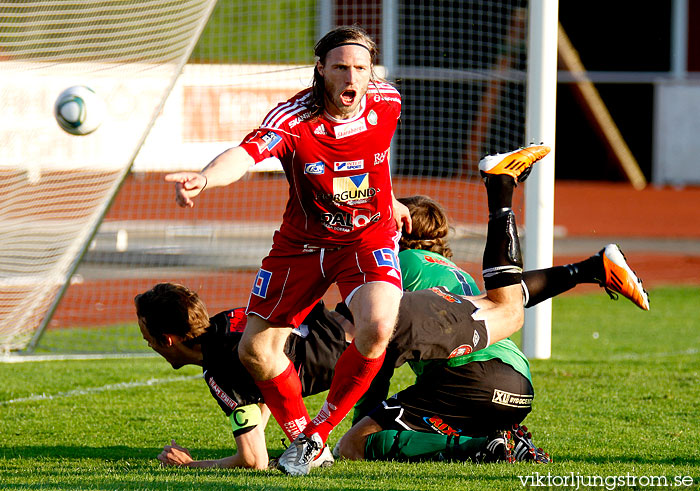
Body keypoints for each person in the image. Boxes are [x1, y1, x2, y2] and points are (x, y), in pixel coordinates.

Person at [164, 25, 412, 475]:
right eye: (340, 67)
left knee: (376, 327)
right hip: (301, 245)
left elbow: (375, 160)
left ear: (370, 72)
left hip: (365, 238)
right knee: (254, 352)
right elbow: (244, 154)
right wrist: (205, 177)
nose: (351, 77)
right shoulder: (293, 118)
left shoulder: (388, 101)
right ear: (321, 69)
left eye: (359, 68)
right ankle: (304, 441)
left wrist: (388, 198)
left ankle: (317, 435)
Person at [333, 145, 650, 463]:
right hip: (519, 387)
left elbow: (377, 353)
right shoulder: (455, 273)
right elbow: (515, 294)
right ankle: (498, 438)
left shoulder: (400, 265)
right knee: (507, 301)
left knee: (353, 446)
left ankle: (478, 445)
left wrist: (359, 422)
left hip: (468, 382)